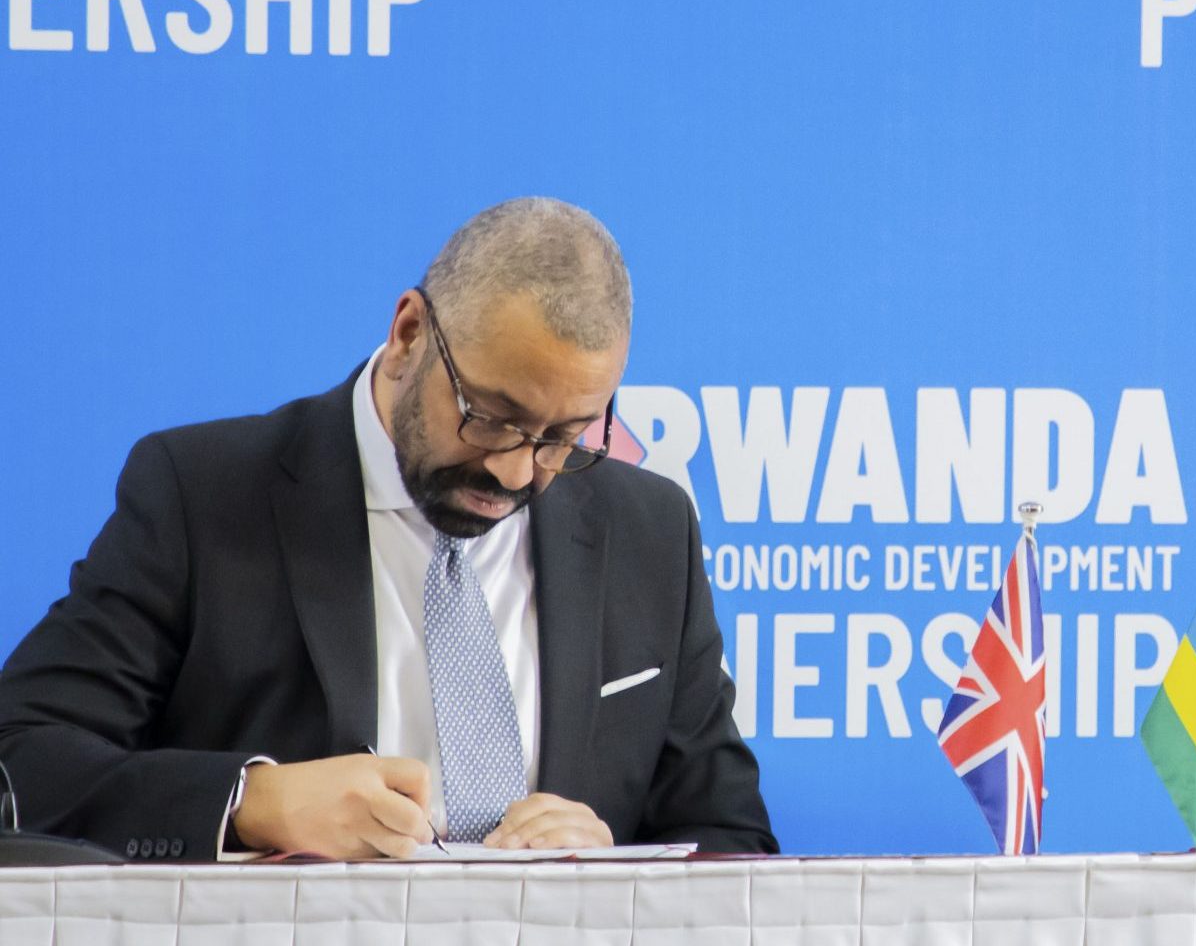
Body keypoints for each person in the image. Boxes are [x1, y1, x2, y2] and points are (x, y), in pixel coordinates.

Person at [0, 197, 777, 860]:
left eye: (562, 438)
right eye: (491, 418)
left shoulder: (649, 530)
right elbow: (22, 761)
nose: (515, 473)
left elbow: (732, 843)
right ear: (409, 333)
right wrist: (251, 800)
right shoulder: (204, 494)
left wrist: (614, 869)